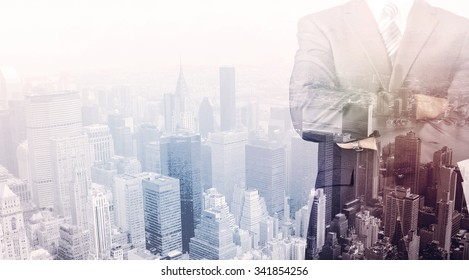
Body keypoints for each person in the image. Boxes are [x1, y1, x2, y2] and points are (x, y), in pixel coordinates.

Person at [290, 0, 469, 259]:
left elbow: (462, 126)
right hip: (345, 210)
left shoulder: (460, 29)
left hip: (432, 214)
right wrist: (410, 106)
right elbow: (307, 113)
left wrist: (357, 127)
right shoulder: (321, 24)